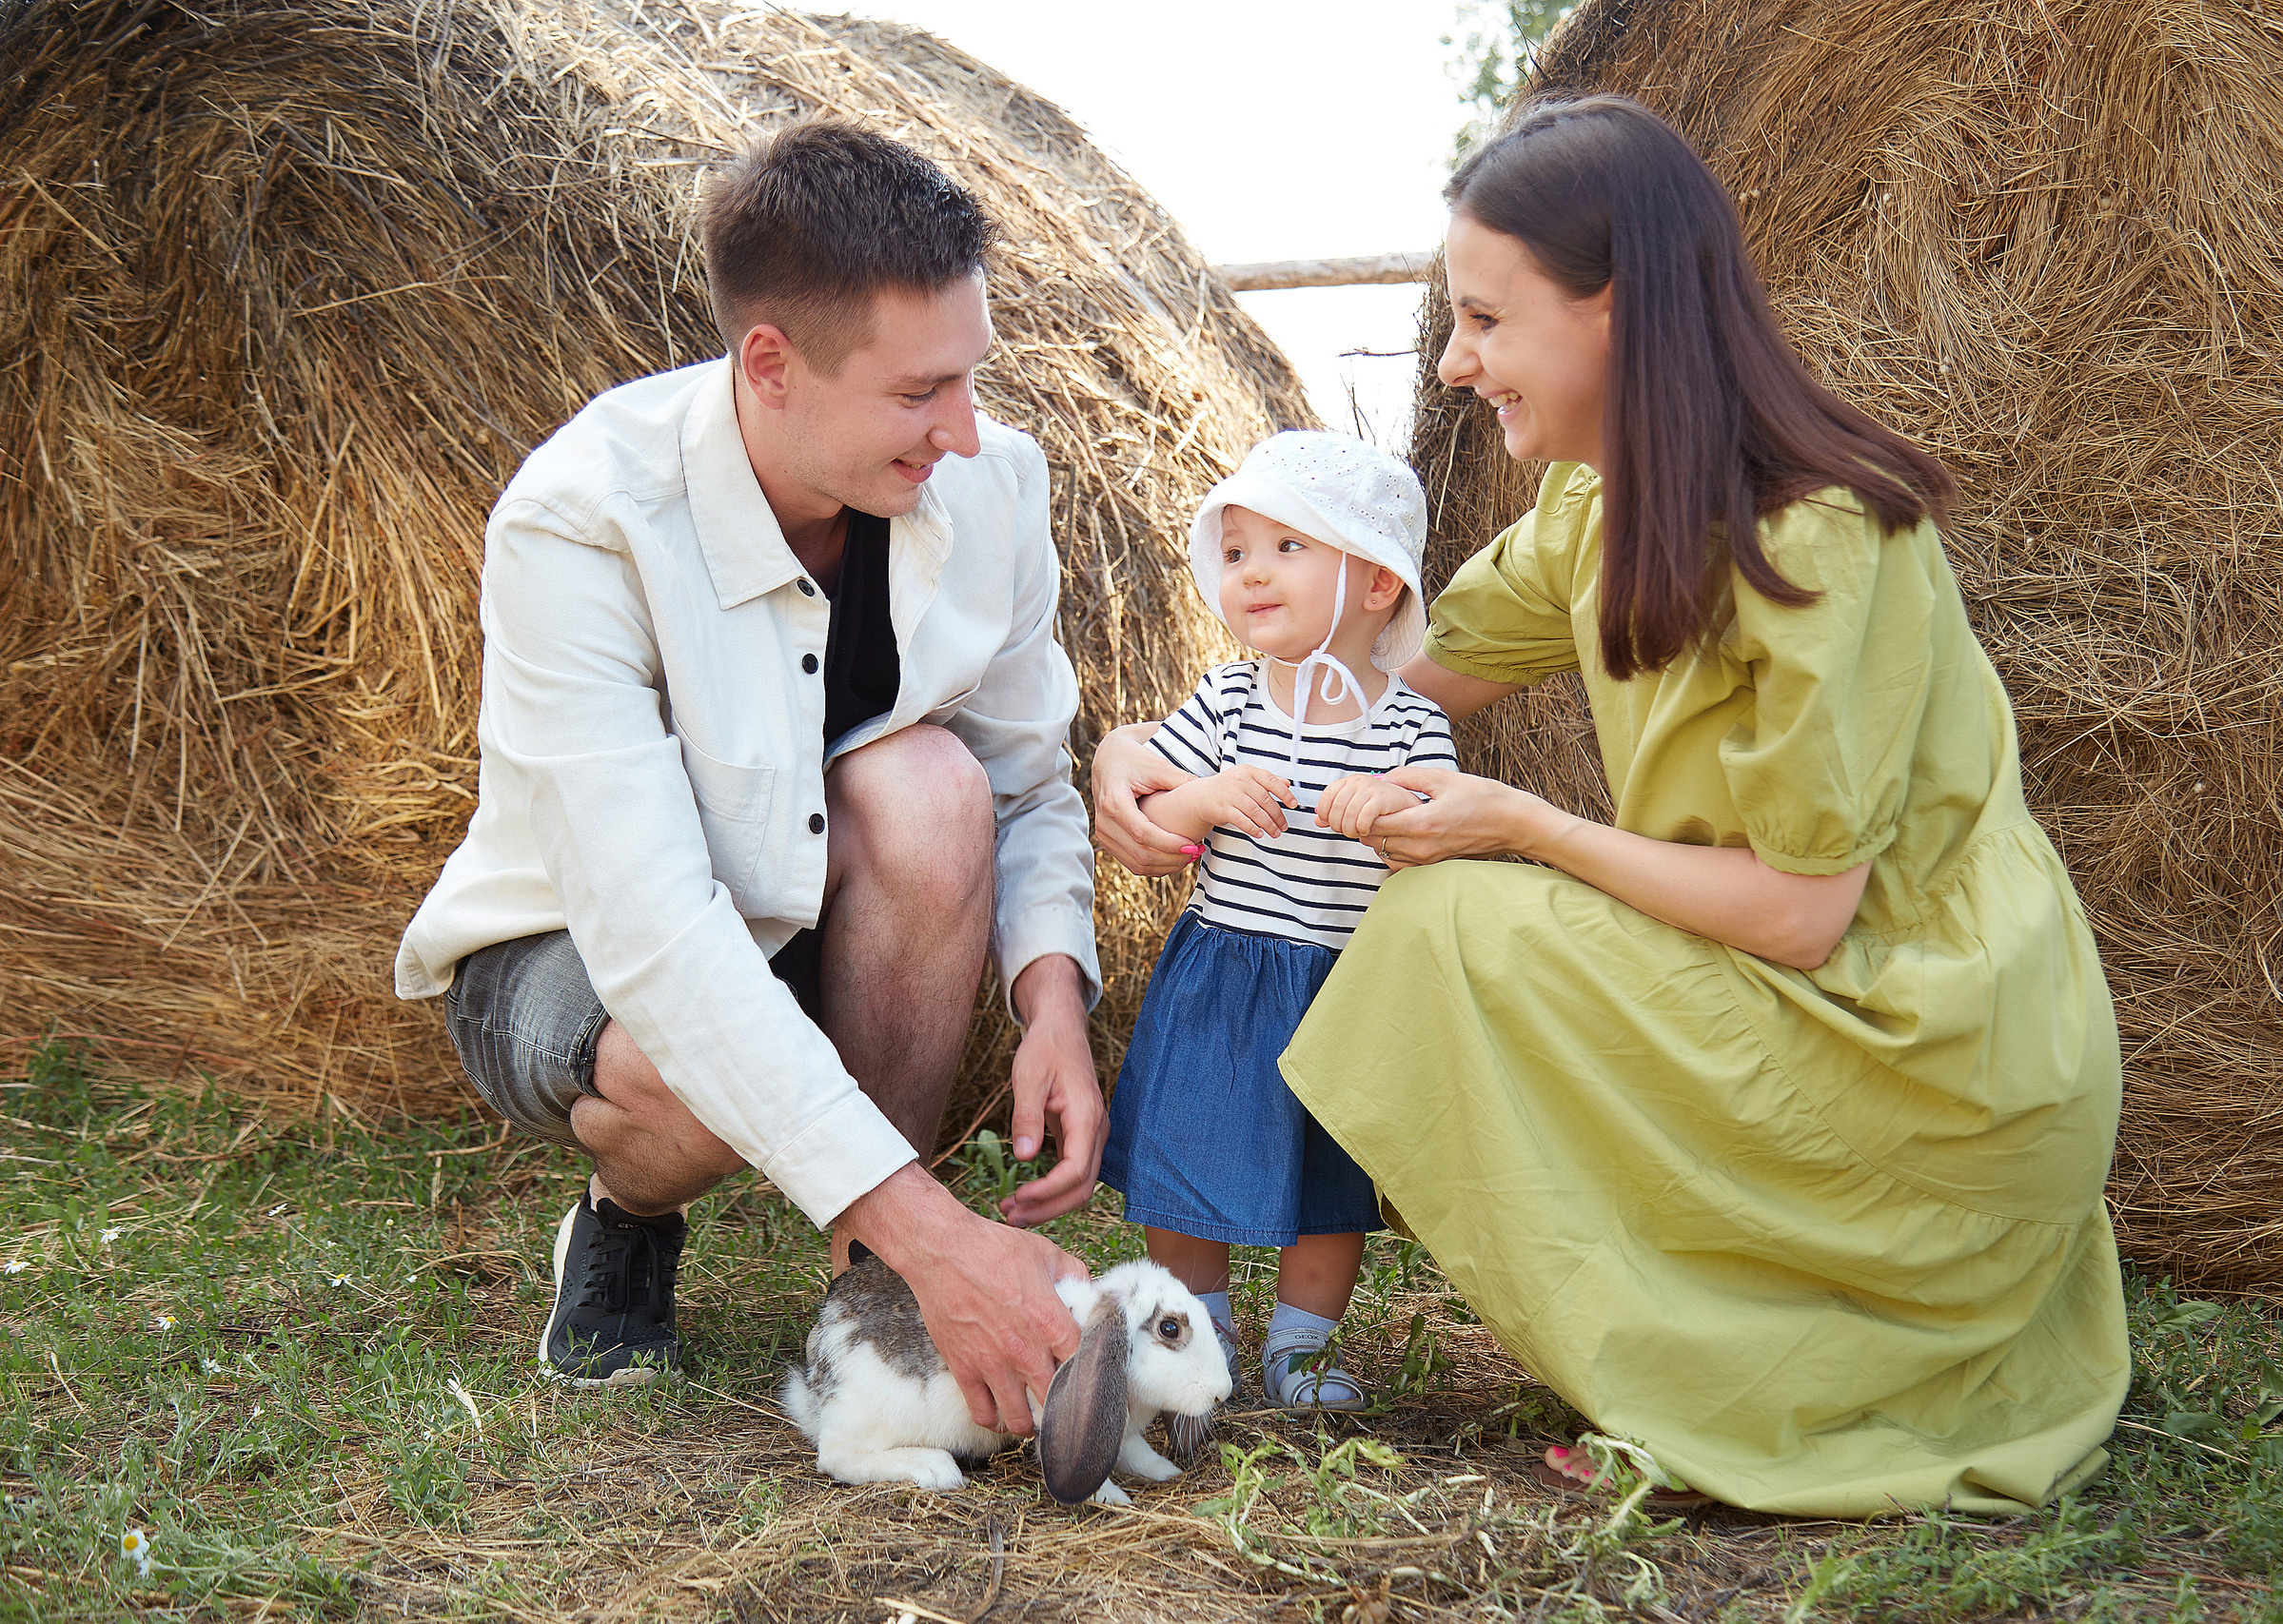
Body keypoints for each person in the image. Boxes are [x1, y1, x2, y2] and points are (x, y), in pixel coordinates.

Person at [1092, 97, 2129, 1516]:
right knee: (1444, 899)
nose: (1452, 362)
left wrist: (1523, 824)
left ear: (1616, 309)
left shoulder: (1820, 536)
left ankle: (1716, 1349)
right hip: (1773, 995)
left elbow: (1802, 915)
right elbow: (1361, 682)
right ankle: (1689, 1324)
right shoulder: (1596, 509)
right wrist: (1142, 751)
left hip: (1922, 1042)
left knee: (1451, 917)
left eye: (1484, 319)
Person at [393, 121, 1105, 1436]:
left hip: (811, 914)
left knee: (934, 789)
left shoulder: (993, 483)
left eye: (970, 377)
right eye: (918, 392)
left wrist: (1051, 994)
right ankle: (630, 1217)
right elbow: (658, 938)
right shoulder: (582, 519)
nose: (963, 430)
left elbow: (1025, 783)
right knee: (693, 1080)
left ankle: (870, 1300)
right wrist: (950, 1234)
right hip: (575, 946)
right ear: (770, 364)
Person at [1099, 431, 1455, 1413]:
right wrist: (1205, 798)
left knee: (1328, 1181)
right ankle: (1199, 1332)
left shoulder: (1408, 723)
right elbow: (1155, 811)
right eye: (1235, 551)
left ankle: (1300, 1346)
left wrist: (1394, 811)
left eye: (1288, 547)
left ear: (1377, 581)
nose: (1251, 571)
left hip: (1342, 983)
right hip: (1225, 975)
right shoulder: (1227, 698)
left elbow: (1440, 834)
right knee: (1187, 1156)